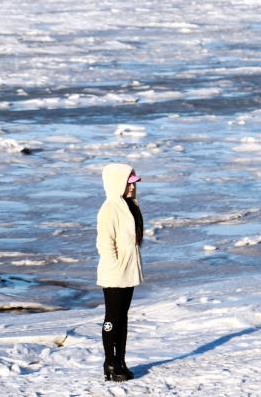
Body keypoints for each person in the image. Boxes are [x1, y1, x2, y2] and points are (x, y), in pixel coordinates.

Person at [96, 163, 144, 382]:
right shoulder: (109, 208)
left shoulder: (129, 205)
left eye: (133, 184)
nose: (132, 188)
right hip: (114, 272)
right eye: (129, 183)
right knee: (112, 318)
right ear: (118, 183)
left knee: (123, 318)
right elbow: (105, 243)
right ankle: (109, 362)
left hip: (128, 271)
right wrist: (115, 265)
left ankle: (121, 360)